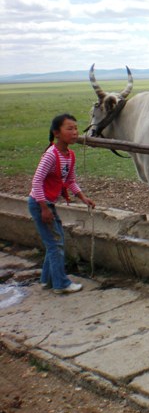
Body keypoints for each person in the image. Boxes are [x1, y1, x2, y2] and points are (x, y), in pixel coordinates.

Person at [28, 113, 95, 294]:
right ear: (57, 133)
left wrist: (83, 198)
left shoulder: (69, 155)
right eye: (69, 129)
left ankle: (46, 279)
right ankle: (61, 284)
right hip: (39, 203)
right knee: (55, 243)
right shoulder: (51, 155)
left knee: (55, 241)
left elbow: (70, 180)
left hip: (48, 203)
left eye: (75, 128)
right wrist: (43, 208)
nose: (74, 133)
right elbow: (36, 182)